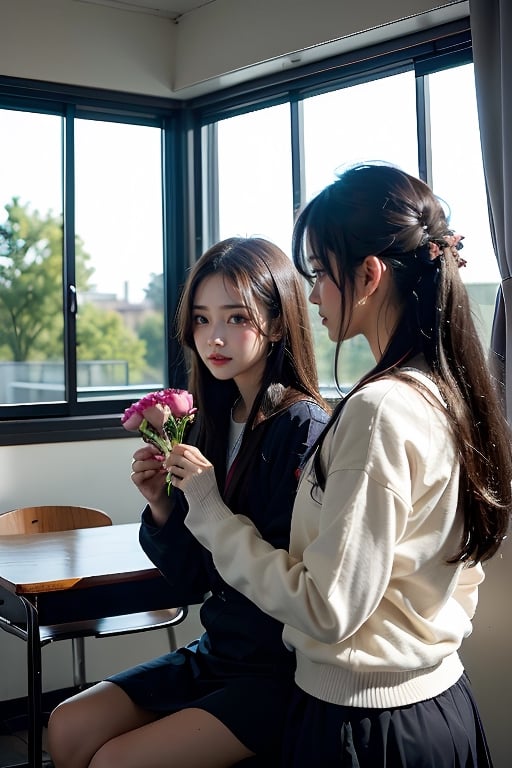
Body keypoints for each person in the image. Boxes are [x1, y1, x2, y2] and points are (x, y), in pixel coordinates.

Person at [168, 163, 512, 767]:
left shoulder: (378, 410)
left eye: (321, 274)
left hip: (369, 723)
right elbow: (461, 571)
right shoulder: (445, 391)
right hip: (438, 702)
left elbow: (326, 609)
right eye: (201, 317)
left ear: (370, 275)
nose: (314, 295)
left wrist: (207, 507)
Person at [47, 236, 329, 768]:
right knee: (66, 726)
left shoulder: (302, 427)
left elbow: (281, 578)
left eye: (235, 318)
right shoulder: (211, 423)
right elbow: (192, 581)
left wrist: (205, 501)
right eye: (201, 319)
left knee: (113, 761)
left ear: (276, 321)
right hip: (217, 651)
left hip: (277, 671)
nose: (213, 337)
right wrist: (161, 506)